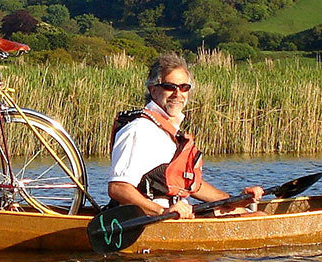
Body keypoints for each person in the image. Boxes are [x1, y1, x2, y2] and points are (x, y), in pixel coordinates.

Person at [107, 53, 264, 219]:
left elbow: (190, 185)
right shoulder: (138, 130)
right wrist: (162, 212)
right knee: (257, 217)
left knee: (246, 213)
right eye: (169, 87)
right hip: (150, 220)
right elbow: (118, 188)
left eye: (184, 87)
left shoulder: (169, 131)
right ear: (153, 90)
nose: (177, 94)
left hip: (175, 216)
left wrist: (234, 201)